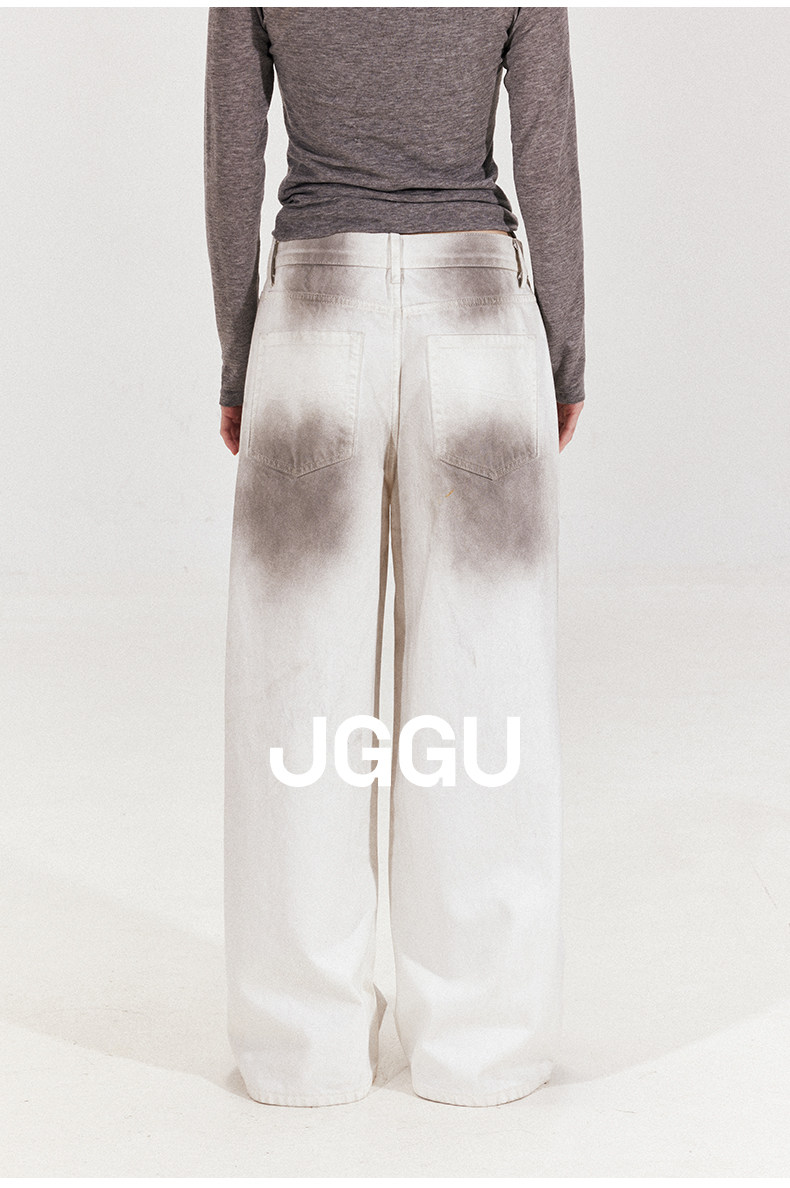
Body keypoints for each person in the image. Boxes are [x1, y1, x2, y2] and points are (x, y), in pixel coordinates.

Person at [204, 6, 585, 1109]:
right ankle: (482, 1047)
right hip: (479, 319)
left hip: (311, 314)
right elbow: (545, 145)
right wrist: (563, 353)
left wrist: (240, 357)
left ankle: (300, 1051)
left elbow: (233, 151)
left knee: (295, 704)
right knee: (486, 694)